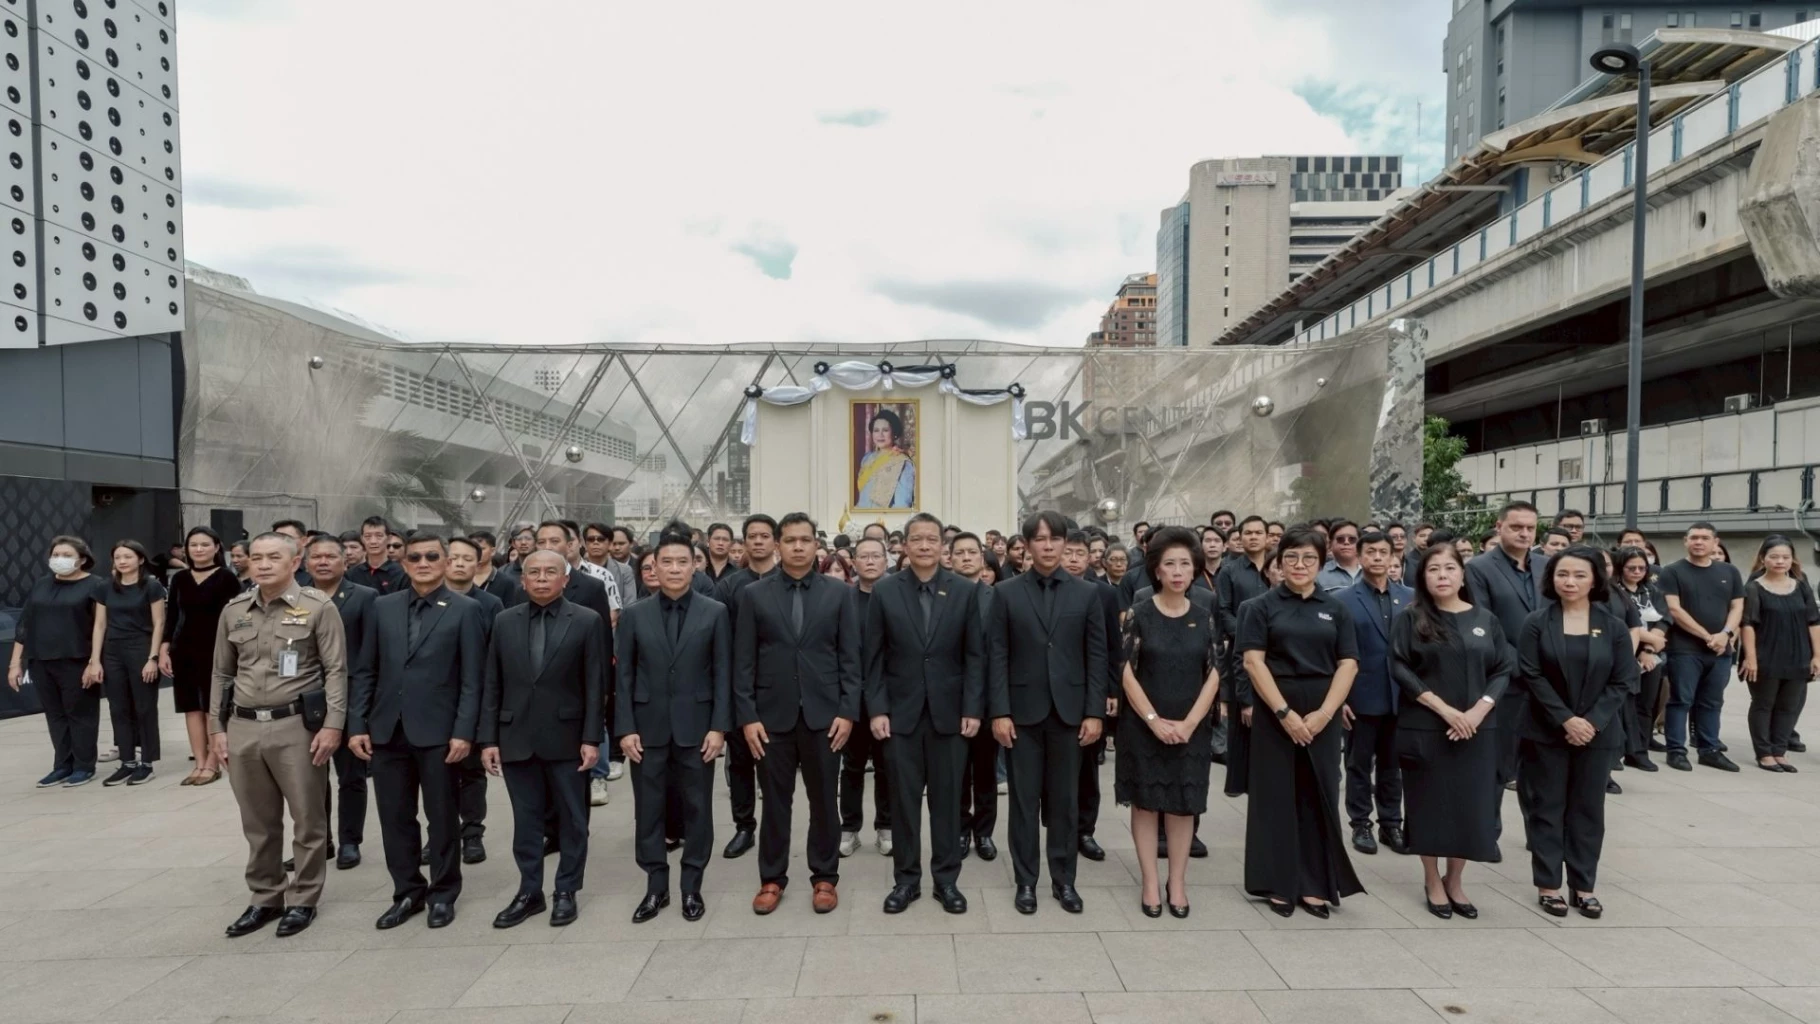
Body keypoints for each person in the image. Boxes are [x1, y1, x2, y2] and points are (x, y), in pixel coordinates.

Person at [210, 533, 348, 939]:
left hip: (296, 726)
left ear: (294, 562)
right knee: (258, 821)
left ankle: (303, 898)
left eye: (274, 557)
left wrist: (333, 724)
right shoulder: (234, 610)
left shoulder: (318, 607)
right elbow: (221, 673)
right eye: (257, 558)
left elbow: (336, 670)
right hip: (244, 725)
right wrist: (217, 728)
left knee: (307, 818)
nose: (264, 564)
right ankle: (266, 896)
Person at [349, 533, 487, 930]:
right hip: (387, 730)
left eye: (431, 556)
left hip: (440, 733)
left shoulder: (466, 610)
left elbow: (473, 679)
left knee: (442, 817)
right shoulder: (382, 607)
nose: (423, 563)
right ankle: (407, 891)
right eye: (415, 557)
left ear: (445, 561)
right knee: (395, 818)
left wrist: (464, 732)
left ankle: (443, 893)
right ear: (404, 563)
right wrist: (357, 724)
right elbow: (365, 670)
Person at [735, 512, 861, 915]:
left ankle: (825, 877)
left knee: (824, 800)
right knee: (775, 802)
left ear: (815, 544)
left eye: (805, 540)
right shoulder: (754, 595)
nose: (798, 547)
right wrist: (748, 716)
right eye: (790, 540)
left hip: (826, 717)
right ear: (778, 545)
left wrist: (847, 711)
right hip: (771, 718)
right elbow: (743, 662)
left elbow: (850, 658)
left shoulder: (838, 593)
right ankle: (771, 879)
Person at [1238, 527, 1364, 918]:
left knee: (1318, 792)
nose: (1299, 564)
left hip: (1323, 710)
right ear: (1279, 562)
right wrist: (1284, 713)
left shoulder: (1336, 608)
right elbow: (1253, 662)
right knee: (1275, 796)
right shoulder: (1259, 607)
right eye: (1291, 557)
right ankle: (1278, 881)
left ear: (1321, 562)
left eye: (1309, 558)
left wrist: (1325, 713)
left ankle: (1315, 884)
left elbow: (1349, 663)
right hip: (1276, 709)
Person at [478, 550, 608, 928]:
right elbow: (492, 682)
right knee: (526, 821)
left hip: (568, 737)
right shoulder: (504, 621)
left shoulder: (586, 620)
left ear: (565, 579)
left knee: (573, 819)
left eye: (550, 572)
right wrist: (488, 739)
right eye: (533, 572)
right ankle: (529, 891)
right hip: (516, 736)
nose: (541, 578)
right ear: (522, 579)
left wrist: (592, 738)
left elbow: (596, 684)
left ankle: (566, 889)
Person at [988, 511, 1108, 916]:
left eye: (1055, 539)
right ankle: (1026, 881)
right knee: (1023, 803)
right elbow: (997, 655)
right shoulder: (1005, 593)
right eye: (1039, 539)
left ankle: (1064, 880)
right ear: (1026, 545)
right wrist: (999, 711)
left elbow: (1096, 656)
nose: (1048, 546)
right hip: (1021, 714)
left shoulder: (1086, 594)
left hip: (1070, 714)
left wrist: (1094, 712)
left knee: (1065, 802)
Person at [865, 512, 986, 914]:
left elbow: (975, 655)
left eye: (931, 539)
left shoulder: (964, 591)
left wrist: (973, 708)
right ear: (904, 545)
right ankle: (906, 881)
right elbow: (873, 657)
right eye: (916, 539)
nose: (924, 546)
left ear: (942, 546)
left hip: (950, 715)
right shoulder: (885, 590)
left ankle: (946, 881)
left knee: (948, 802)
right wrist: (877, 709)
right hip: (899, 715)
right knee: (903, 802)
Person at [1391, 544, 1513, 919]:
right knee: (1428, 805)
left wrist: (1478, 711)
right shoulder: (1411, 619)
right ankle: (1432, 879)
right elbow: (1399, 667)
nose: (1442, 575)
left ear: (1462, 575)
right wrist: (1444, 709)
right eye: (1433, 569)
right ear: (1422, 577)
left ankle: (1455, 880)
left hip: (1477, 729)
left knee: (1469, 807)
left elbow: (1502, 668)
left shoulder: (1485, 619)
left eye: (1449, 568)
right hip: (1427, 726)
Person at [617, 529, 731, 924]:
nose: (675, 568)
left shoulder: (714, 612)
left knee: (698, 808)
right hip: (646, 729)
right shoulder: (634, 615)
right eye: (666, 562)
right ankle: (655, 886)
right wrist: (625, 728)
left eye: (683, 561)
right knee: (648, 809)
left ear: (694, 566)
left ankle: (691, 886)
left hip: (698, 729)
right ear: (653, 567)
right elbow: (624, 677)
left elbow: (722, 672)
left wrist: (719, 728)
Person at [1517, 547, 1636, 919]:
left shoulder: (1612, 626)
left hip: (1597, 735)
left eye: (1579, 575)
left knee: (1588, 811)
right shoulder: (1537, 622)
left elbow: (1623, 679)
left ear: (1596, 579)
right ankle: (1548, 885)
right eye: (1562, 574)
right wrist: (1566, 719)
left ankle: (1583, 886)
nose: (1569, 582)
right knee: (1547, 808)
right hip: (1546, 731)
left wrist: (1591, 722)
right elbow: (1531, 674)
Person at [1116, 526, 1220, 918]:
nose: (1178, 571)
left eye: (1185, 564)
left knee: (1182, 805)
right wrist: (1153, 720)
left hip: (1191, 727)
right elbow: (1126, 670)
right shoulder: (1139, 613)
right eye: (1170, 564)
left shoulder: (1205, 616)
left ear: (1195, 570)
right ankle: (1149, 881)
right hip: (1143, 727)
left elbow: (1215, 672)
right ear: (1156, 570)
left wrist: (1190, 723)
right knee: (1145, 804)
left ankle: (1177, 882)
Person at [1336, 530, 1413, 856]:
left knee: (1392, 765)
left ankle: (1391, 823)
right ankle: (1360, 823)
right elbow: (1334, 652)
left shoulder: (1410, 597)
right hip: (1360, 696)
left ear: (1394, 556)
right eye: (1371, 552)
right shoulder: (1342, 599)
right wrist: (1340, 698)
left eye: (1383, 552)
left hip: (1401, 696)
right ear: (1360, 556)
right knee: (1358, 764)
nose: (1378, 557)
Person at [9, 537, 109, 787]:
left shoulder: (96, 585)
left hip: (77, 658)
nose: (59, 559)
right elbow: (25, 624)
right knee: (55, 715)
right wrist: (15, 663)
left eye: (66, 555)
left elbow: (100, 626)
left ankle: (84, 766)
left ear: (82, 559)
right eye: (55, 554)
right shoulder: (42, 584)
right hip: (41, 659)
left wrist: (94, 661)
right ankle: (62, 765)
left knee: (80, 714)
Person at [303, 536, 377, 869]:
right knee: (310, 778)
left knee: (350, 776)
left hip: (349, 696)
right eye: (316, 557)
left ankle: (350, 841)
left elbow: (370, 654)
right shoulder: (295, 597)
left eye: (330, 556)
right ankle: (321, 841)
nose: (323, 562)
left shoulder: (365, 597)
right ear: (305, 563)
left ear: (345, 561)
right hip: (305, 698)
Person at [1464, 502, 1544, 798]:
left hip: (1546, 680)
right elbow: (1485, 624)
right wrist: (1523, 668)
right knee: (1499, 766)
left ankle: (1539, 827)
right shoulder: (1478, 568)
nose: (1525, 533)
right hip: (1505, 679)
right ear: (1499, 528)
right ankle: (1489, 826)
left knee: (1540, 769)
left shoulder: (1547, 566)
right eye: (1516, 527)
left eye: (1530, 528)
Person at [715, 514, 780, 858]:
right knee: (739, 762)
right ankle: (744, 827)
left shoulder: (786, 580)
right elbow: (721, 640)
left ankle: (775, 827)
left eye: (764, 536)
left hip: (778, 689)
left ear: (775, 541)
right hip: (740, 686)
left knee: (775, 765)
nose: (758, 541)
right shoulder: (729, 586)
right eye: (752, 536)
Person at [1657, 522, 1745, 772]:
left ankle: (1709, 750)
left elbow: (1737, 606)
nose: (1698, 542)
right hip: (1684, 649)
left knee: (1712, 702)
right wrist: (1708, 636)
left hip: (1720, 651)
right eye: (1694, 537)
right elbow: (1674, 609)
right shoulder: (1672, 572)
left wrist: (1725, 635)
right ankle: (1676, 751)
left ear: (1715, 542)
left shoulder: (1729, 571)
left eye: (1705, 538)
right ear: (1685, 541)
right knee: (1681, 700)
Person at [161, 526, 243, 787]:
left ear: (217, 548)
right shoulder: (180, 579)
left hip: (217, 649)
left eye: (205, 544)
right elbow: (172, 616)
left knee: (212, 707)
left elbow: (237, 617)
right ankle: (198, 762)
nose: (198, 549)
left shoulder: (227, 578)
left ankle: (212, 763)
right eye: (193, 544)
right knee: (191, 707)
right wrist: (164, 647)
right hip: (184, 649)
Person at [445, 536, 508, 862]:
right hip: (435, 702)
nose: (459, 563)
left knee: (471, 772)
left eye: (466, 558)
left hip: (475, 699)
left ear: (479, 563)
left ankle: (472, 833)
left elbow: (497, 658)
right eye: (453, 557)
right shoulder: (425, 599)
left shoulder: (490, 604)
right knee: (436, 775)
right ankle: (441, 833)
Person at [1741, 536, 1820, 772]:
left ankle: (1779, 751)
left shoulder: (1802, 586)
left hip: (1798, 655)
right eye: (1774, 556)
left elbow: (1814, 622)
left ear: (1792, 560)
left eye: (1785, 557)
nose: (1780, 561)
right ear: (1763, 559)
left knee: (1789, 706)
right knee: (1763, 704)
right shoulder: (1753, 588)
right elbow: (1748, 625)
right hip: (1766, 655)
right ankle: (1764, 753)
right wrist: (1750, 657)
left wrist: (1817, 655)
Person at [840, 537, 894, 858]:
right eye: (864, 556)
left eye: (876, 556)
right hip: (851, 698)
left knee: (887, 765)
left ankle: (885, 826)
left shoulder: (896, 596)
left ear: (886, 561)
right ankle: (849, 828)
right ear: (854, 563)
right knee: (852, 766)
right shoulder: (842, 599)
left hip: (888, 699)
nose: (870, 561)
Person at [949, 532, 1001, 859]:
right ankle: (959, 829)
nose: (966, 557)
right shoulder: (942, 595)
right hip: (950, 700)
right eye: (960, 552)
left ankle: (983, 832)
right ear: (949, 558)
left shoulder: (997, 597)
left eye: (972, 552)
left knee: (985, 771)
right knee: (955, 772)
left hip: (988, 700)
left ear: (982, 559)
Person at [98, 541, 166, 786]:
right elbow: (99, 625)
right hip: (112, 651)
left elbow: (159, 622)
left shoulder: (151, 586)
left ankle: (146, 763)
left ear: (140, 559)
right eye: (118, 557)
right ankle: (127, 762)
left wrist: (153, 658)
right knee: (118, 708)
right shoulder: (105, 587)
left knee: (144, 707)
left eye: (127, 556)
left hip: (141, 648)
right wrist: (95, 660)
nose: (122, 561)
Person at [1217, 516, 1273, 798]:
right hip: (1242, 650)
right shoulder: (1229, 571)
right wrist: (1246, 634)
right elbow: (1223, 610)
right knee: (1244, 716)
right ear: (1238, 538)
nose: (1253, 537)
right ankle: (1242, 780)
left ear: (1267, 537)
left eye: (1258, 532)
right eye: (1247, 533)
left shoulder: (1278, 566)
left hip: (1276, 651)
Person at [1613, 547, 1666, 772]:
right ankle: (1615, 752)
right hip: (1624, 654)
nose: (1637, 572)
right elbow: (1621, 624)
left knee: (1646, 705)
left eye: (1642, 568)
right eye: (1631, 568)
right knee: (1620, 706)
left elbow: (1664, 620)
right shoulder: (1614, 591)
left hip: (1651, 656)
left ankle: (1639, 752)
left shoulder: (1652, 591)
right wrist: (1649, 642)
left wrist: (1651, 648)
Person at [856, 409, 916, 508]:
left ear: (894, 433)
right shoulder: (867, 459)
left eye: (885, 430)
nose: (880, 435)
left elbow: (902, 506)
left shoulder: (902, 462)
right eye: (876, 430)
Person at [347, 515, 407, 595]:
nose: (373, 541)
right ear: (362, 539)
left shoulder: (401, 573)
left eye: (379, 536)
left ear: (388, 538)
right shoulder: (352, 574)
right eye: (367, 536)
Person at [1317, 520, 1364, 592]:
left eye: (1352, 539)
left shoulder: (1372, 571)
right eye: (1340, 539)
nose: (1346, 542)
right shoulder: (1319, 574)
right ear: (1330, 544)